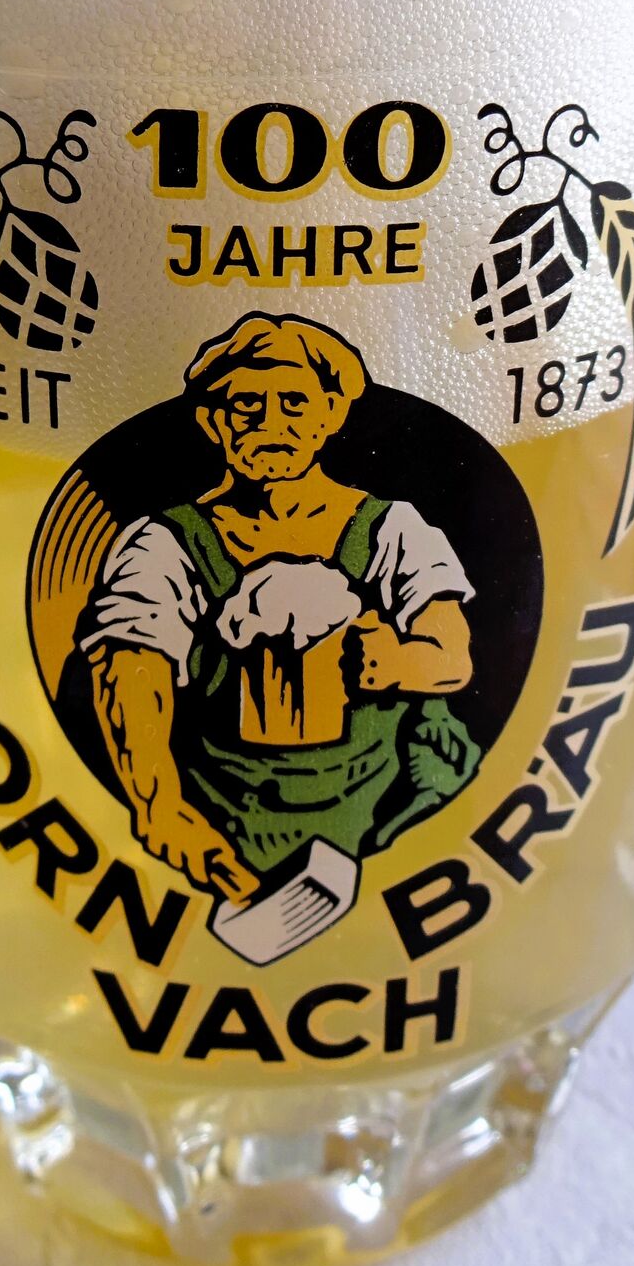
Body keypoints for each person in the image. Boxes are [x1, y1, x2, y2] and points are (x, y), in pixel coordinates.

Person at [82, 314, 480, 901]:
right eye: (247, 405)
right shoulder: (166, 544)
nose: (271, 423)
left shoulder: (392, 530)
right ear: (213, 422)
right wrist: (158, 804)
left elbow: (453, 658)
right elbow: (132, 670)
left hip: (379, 814)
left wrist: (395, 661)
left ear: (331, 415)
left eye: (294, 403)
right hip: (226, 815)